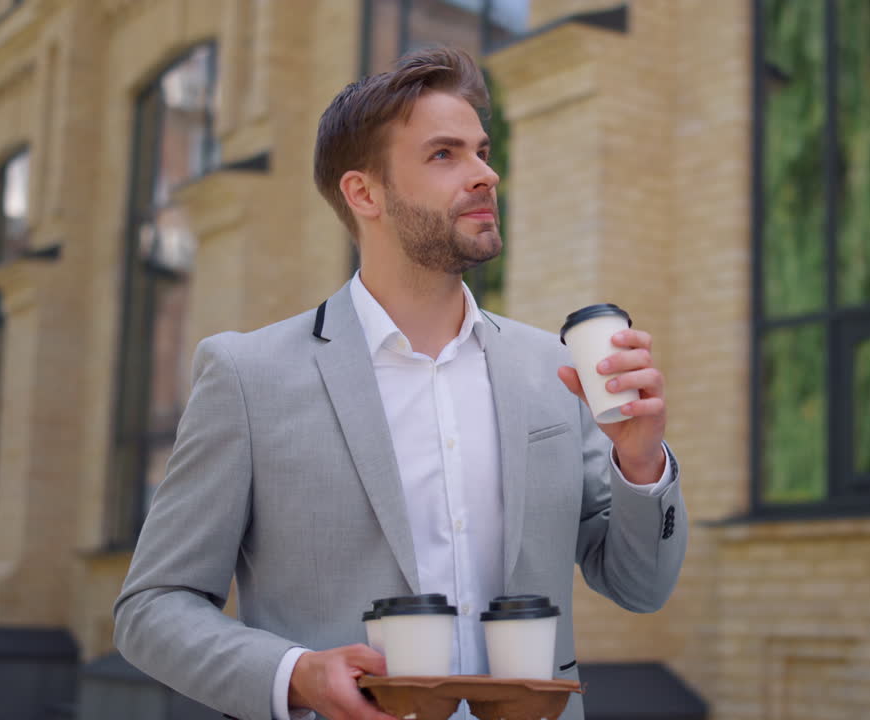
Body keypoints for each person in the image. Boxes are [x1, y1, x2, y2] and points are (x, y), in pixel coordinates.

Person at [113, 47, 687, 720]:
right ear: (365, 193)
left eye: (481, 150)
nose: (485, 174)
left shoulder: (551, 370)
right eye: (445, 155)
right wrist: (295, 674)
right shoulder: (249, 377)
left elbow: (640, 586)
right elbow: (152, 607)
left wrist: (640, 461)